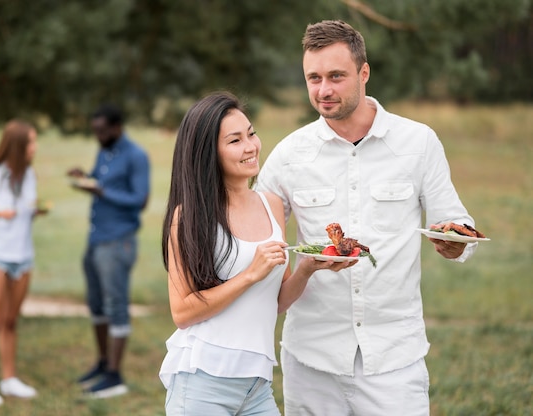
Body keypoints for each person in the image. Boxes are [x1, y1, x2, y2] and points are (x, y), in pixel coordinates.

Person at [255, 20, 479, 415]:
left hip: (395, 358)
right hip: (312, 359)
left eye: (336, 76)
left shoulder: (418, 142)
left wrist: (453, 242)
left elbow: (453, 221)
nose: (323, 90)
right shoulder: (289, 155)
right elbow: (256, 239)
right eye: (314, 78)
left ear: (364, 73)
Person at [158, 91, 349, 415]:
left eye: (251, 134)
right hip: (203, 382)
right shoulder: (188, 215)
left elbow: (274, 303)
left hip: (257, 386)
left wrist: (306, 268)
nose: (251, 147)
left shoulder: (271, 204)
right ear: (209, 153)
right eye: (235, 141)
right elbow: (183, 312)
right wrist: (249, 275)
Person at [69, 104, 150, 398]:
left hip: (118, 241)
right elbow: (100, 181)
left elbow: (139, 199)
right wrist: (85, 177)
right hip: (95, 239)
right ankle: (103, 364)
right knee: (95, 304)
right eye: (95, 131)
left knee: (116, 305)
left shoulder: (136, 155)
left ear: (117, 127)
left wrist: (100, 191)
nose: (98, 136)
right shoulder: (104, 150)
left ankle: (115, 376)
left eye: (102, 131)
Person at [0, 120, 45, 407]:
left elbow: (26, 210)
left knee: (11, 321)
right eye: (31, 142)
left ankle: (9, 379)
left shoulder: (30, 175)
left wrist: (35, 211)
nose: (34, 147)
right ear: (17, 146)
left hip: (23, 257)